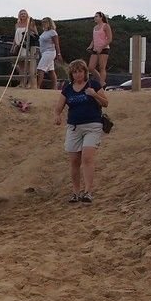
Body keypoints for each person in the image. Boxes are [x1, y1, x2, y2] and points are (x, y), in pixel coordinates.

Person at [54, 60, 109, 203]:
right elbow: (59, 105)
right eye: (75, 72)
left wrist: (94, 95)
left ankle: (88, 191)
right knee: (74, 161)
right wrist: (57, 115)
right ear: (71, 74)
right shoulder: (68, 88)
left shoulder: (93, 85)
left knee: (87, 157)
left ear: (85, 72)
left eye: (80, 71)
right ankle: (75, 192)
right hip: (74, 127)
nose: (78, 74)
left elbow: (105, 103)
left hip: (92, 125)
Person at [11, 10, 39, 88]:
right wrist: (13, 46)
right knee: (21, 66)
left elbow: (36, 35)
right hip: (19, 46)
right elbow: (15, 36)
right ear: (19, 15)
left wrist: (30, 32)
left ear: (27, 15)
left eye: (24, 13)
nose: (23, 15)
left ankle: (30, 83)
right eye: (21, 14)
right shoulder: (17, 24)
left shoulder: (30, 24)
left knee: (30, 65)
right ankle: (22, 82)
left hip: (27, 46)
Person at [37, 17, 64, 90]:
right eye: (43, 22)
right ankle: (54, 87)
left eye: (45, 22)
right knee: (51, 70)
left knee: (40, 68)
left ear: (49, 23)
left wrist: (59, 54)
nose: (44, 24)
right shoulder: (44, 32)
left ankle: (37, 86)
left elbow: (56, 44)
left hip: (50, 52)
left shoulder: (52, 32)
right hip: (44, 52)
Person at [86, 11, 113, 84]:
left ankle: (101, 84)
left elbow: (109, 39)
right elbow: (94, 39)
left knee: (102, 67)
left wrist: (102, 47)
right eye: (94, 16)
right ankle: (101, 81)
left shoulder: (105, 26)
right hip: (95, 49)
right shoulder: (95, 27)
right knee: (90, 67)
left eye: (96, 16)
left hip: (104, 48)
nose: (95, 18)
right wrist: (90, 46)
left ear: (101, 17)